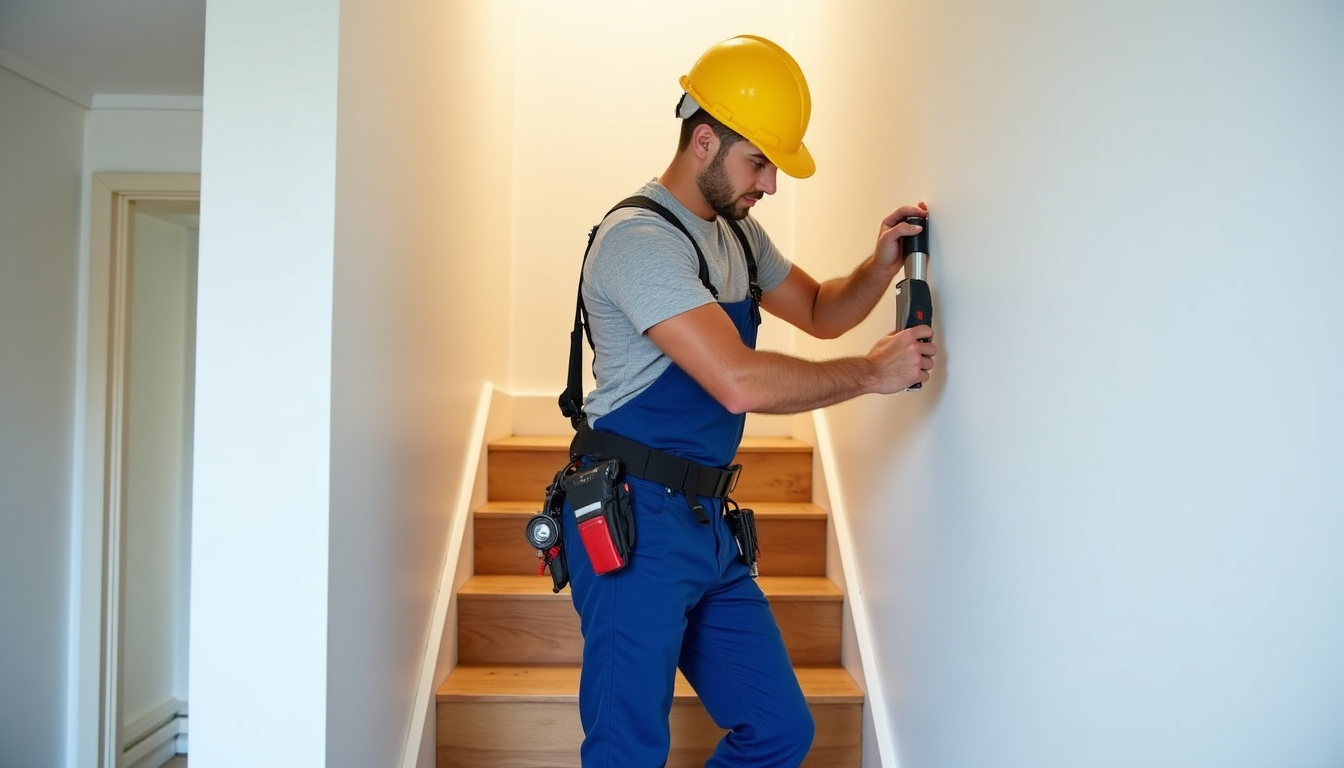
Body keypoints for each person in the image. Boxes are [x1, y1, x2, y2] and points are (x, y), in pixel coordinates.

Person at [558, 34, 936, 768]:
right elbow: (735, 379)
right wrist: (869, 374)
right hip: (634, 519)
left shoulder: (737, 231)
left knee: (778, 730)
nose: (769, 183)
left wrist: (879, 260)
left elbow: (823, 308)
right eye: (758, 161)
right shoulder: (638, 241)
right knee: (624, 749)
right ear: (705, 141)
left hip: (705, 524)